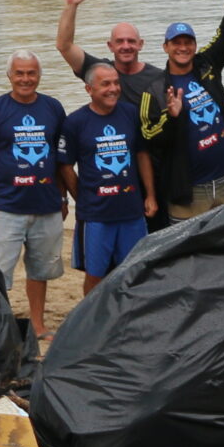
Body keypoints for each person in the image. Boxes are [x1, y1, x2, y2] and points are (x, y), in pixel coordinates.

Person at [142, 0, 224, 222]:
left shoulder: (206, 65)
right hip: (188, 188)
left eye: (188, 42)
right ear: (165, 47)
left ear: (195, 45)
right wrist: (171, 116)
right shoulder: (155, 90)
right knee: (190, 246)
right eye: (176, 43)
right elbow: (148, 137)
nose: (183, 48)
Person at [0, 52, 66, 338]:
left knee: (40, 271)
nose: (26, 79)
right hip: (7, 207)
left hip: (47, 205)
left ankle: (37, 325)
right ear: (9, 76)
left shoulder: (53, 108)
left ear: (39, 75)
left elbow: (61, 159)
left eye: (31, 73)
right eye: (20, 73)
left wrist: (63, 198)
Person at [56, 62, 156, 293]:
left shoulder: (130, 113)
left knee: (134, 272)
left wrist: (150, 195)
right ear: (89, 89)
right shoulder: (75, 122)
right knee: (95, 275)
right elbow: (65, 165)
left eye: (116, 83)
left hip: (132, 211)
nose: (113, 89)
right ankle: (93, 316)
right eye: (105, 84)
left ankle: (129, 314)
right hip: (96, 216)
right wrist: (81, 197)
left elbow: (142, 155)